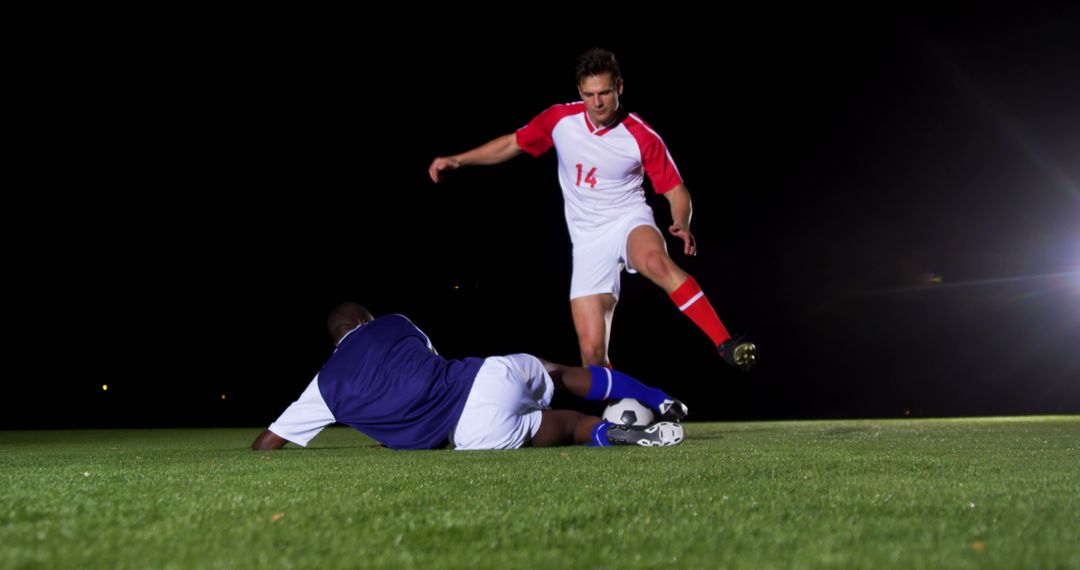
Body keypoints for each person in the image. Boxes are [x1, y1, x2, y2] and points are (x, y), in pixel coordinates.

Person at [428, 48, 756, 372]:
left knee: (656, 261)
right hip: (587, 241)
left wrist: (681, 222)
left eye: (604, 93)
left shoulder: (641, 136)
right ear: (579, 92)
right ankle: (622, 416)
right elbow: (512, 143)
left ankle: (725, 343)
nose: (597, 103)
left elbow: (675, 189)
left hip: (628, 219)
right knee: (592, 356)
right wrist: (458, 159)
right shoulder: (559, 120)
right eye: (589, 94)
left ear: (620, 88)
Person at [250, 302, 688, 451]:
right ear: (366, 320)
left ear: (335, 340)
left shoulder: (324, 385)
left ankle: (617, 436)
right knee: (556, 372)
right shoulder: (393, 322)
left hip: (470, 433)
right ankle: (657, 396)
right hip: (484, 379)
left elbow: (266, 444)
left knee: (570, 425)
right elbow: (428, 369)